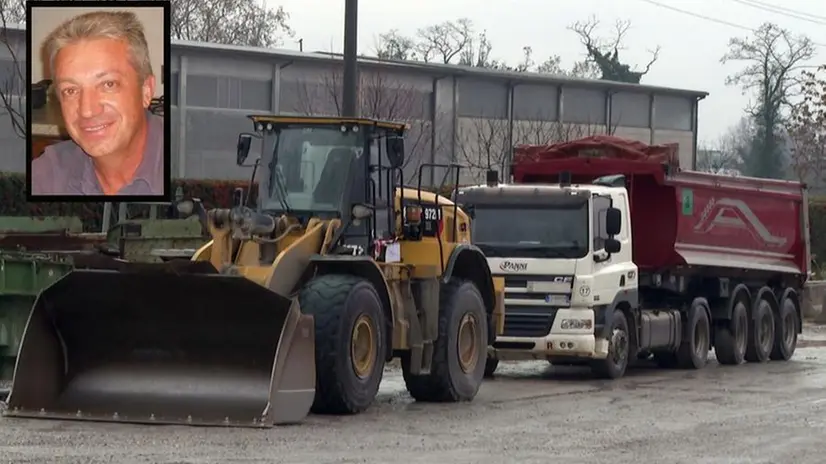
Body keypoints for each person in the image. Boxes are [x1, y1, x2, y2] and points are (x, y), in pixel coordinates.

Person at [30, 10, 164, 196]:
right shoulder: (48, 175)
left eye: (108, 84)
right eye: (71, 90)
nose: (87, 111)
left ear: (146, 90)